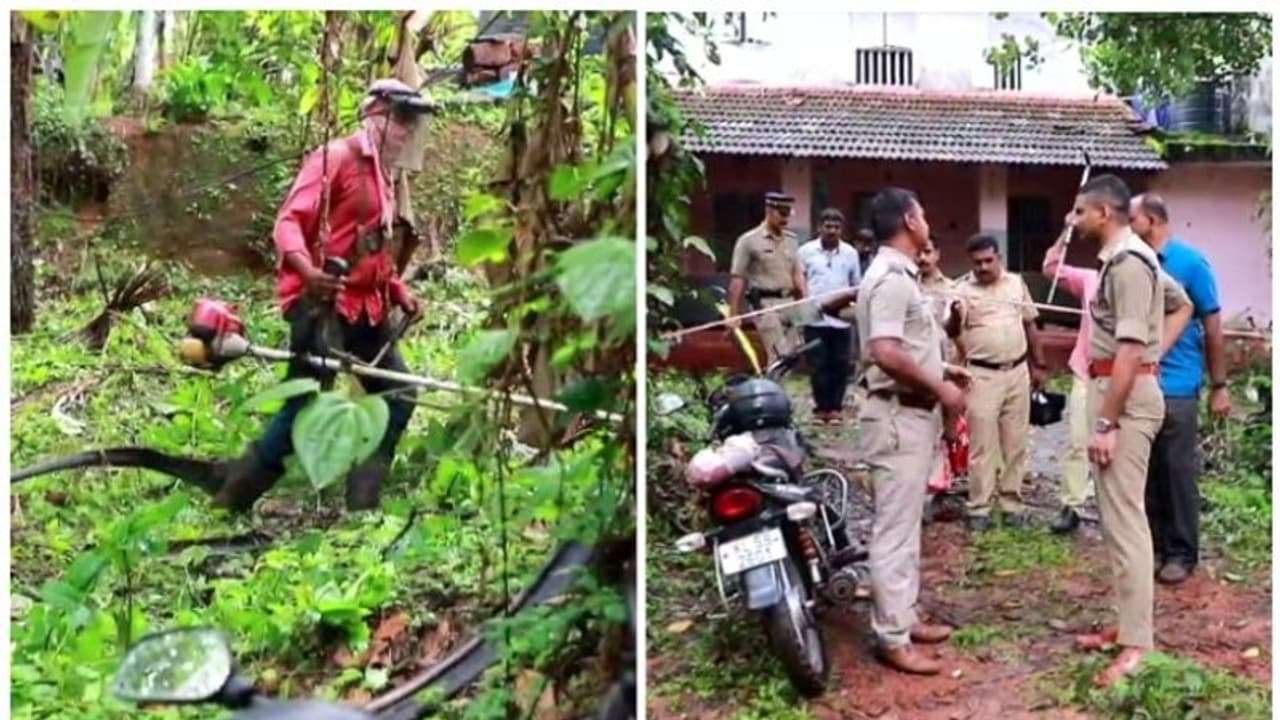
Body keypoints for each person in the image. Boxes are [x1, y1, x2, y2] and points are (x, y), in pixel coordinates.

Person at [213, 79, 431, 513]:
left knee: (399, 394)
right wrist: (308, 271)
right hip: (323, 307)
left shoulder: (384, 175)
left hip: (367, 308)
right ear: (376, 114)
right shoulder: (336, 159)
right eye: (401, 120)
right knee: (304, 408)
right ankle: (232, 498)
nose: (407, 131)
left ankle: (363, 503)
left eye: (413, 123)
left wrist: (397, 289)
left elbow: (372, 244)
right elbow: (288, 223)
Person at [1072, 174, 1189, 686]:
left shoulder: (1128, 263)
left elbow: (1125, 349)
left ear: (1103, 213)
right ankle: (1127, 626)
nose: (1074, 221)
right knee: (1118, 521)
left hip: (1124, 400)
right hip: (1120, 390)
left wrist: (1107, 421)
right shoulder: (1134, 259)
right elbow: (1179, 302)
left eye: (1080, 212)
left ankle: (1138, 643)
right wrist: (1152, 356)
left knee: (1127, 523)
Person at [855, 187, 968, 675]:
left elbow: (910, 346)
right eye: (921, 213)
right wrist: (940, 388)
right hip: (898, 416)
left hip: (910, 413)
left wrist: (942, 370)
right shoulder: (891, 279)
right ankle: (891, 635)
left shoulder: (899, 275)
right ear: (908, 219)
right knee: (895, 530)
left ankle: (905, 613)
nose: (927, 221)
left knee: (908, 524)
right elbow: (885, 350)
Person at [1043, 210, 1196, 534]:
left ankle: (1127, 520)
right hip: (1088, 372)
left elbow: (1181, 306)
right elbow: (1051, 268)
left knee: (1121, 465)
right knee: (1078, 442)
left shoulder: (1138, 270)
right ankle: (1073, 503)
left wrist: (1154, 353)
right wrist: (1066, 230)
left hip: (1125, 377)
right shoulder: (1091, 279)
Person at [1131, 194, 1230, 585]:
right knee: (1147, 471)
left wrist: (1219, 385)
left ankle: (1182, 552)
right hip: (1141, 383)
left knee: (1176, 470)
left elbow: (1214, 326)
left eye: (1133, 218)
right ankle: (1154, 548)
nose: (1128, 225)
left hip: (1178, 385)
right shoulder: (1135, 263)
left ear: (1151, 221)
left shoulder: (1191, 264)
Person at [949, 235, 1046, 531]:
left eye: (988, 260)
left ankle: (1011, 503)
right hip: (981, 375)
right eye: (977, 262)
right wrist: (953, 315)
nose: (983, 267)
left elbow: (1030, 323)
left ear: (999, 258)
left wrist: (1039, 364)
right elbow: (952, 330)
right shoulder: (961, 290)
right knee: (982, 443)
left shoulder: (1015, 284)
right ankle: (979, 507)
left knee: (1015, 442)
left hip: (1017, 372)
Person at [727, 193, 808, 363]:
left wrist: (805, 305)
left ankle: (780, 388)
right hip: (766, 305)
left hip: (790, 302)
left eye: (788, 214)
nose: (785, 219)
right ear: (769, 210)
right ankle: (774, 388)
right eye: (781, 214)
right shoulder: (748, 241)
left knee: (792, 356)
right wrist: (733, 314)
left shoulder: (792, 241)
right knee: (778, 357)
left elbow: (798, 275)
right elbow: (738, 279)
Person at [799, 208, 861, 424]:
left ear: (841, 230)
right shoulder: (806, 251)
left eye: (836, 227)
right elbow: (800, 281)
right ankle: (821, 408)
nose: (832, 231)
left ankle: (835, 408)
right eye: (828, 226)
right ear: (819, 228)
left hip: (841, 320)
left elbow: (856, 285)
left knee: (841, 363)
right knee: (818, 364)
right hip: (814, 317)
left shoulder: (850, 253)